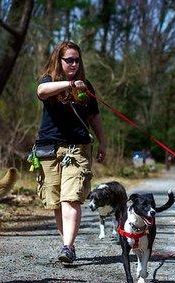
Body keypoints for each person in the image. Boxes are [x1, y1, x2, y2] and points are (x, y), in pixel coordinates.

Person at [35, 41, 106, 265]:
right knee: (56, 201)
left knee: (71, 198)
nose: (74, 63)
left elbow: (94, 116)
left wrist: (103, 142)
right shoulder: (49, 79)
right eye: (69, 60)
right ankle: (68, 243)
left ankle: (68, 247)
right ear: (59, 60)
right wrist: (69, 84)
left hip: (78, 147)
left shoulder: (86, 85)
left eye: (77, 60)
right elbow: (41, 92)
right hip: (49, 147)